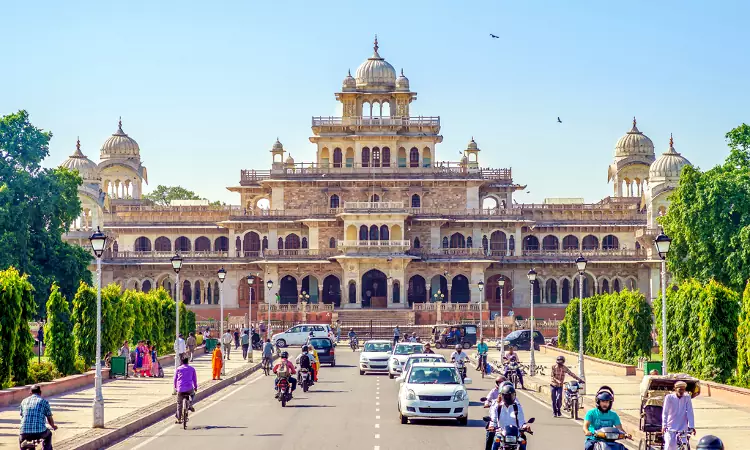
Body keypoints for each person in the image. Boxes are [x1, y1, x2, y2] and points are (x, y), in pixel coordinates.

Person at [488, 384, 531, 450]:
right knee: (495, 442)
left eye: (511, 396)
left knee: (523, 442)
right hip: (501, 433)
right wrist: (492, 426)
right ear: (503, 396)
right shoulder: (497, 407)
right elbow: (494, 419)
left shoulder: (517, 406)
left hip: (515, 434)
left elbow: (521, 420)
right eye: (507, 396)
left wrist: (525, 426)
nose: (509, 398)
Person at [19, 385, 57, 450]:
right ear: (40, 392)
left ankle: (23, 447)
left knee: (22, 440)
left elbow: (22, 415)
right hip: (40, 432)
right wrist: (53, 426)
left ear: (30, 393)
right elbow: (49, 417)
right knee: (48, 434)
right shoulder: (44, 402)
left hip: (24, 432)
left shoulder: (24, 401)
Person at [662, 381, 696, 450]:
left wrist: (691, 426)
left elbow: (690, 411)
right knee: (669, 445)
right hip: (671, 426)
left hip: (682, 426)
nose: (682, 391)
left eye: (683, 390)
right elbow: (665, 412)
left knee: (684, 445)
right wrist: (664, 425)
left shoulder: (687, 397)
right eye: (680, 389)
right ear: (675, 389)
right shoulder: (669, 397)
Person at [174, 356, 197, 423]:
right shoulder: (192, 369)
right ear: (188, 361)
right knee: (193, 394)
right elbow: (194, 380)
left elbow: (175, 379)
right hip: (189, 388)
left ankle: (178, 418)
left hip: (180, 389)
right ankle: (190, 404)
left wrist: (176, 387)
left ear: (181, 362)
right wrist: (195, 387)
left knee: (179, 403)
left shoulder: (178, 369)